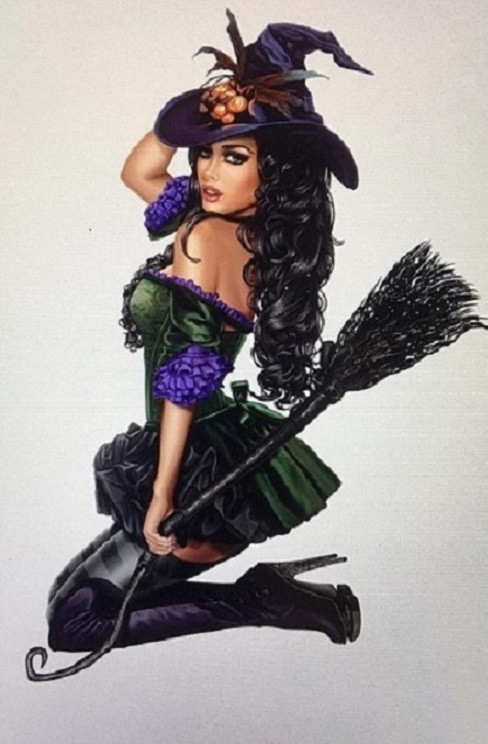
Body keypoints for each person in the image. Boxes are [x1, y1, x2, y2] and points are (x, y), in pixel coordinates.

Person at [46, 13, 370, 654]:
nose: (209, 171)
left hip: (195, 465)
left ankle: (263, 600)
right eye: (205, 152)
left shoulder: (203, 238)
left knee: (73, 620)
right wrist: (197, 112)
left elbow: (186, 381)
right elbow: (139, 173)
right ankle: (267, 597)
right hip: (212, 450)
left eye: (235, 155)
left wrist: (162, 493)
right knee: (71, 598)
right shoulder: (248, 234)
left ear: (275, 171)